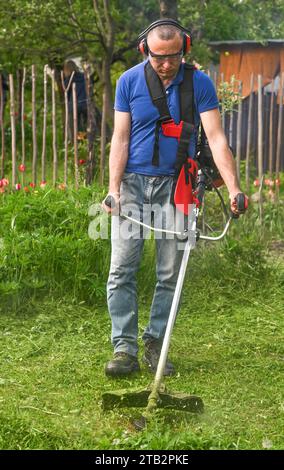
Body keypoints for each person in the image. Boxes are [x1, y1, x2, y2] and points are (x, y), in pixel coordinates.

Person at [102, 19, 247, 377]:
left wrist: (234, 188)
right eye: (158, 58)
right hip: (134, 185)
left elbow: (216, 138)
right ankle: (124, 349)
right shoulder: (128, 82)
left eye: (173, 57)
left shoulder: (198, 83)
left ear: (185, 49)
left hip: (177, 186)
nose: (166, 64)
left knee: (170, 273)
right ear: (144, 50)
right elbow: (120, 139)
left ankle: (155, 344)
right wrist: (113, 188)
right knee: (121, 270)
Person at [63, 60, 88, 136]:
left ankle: (77, 144)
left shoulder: (68, 80)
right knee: (85, 127)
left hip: (73, 106)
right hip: (85, 105)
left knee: (74, 129)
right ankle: (85, 142)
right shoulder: (84, 77)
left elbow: (66, 94)